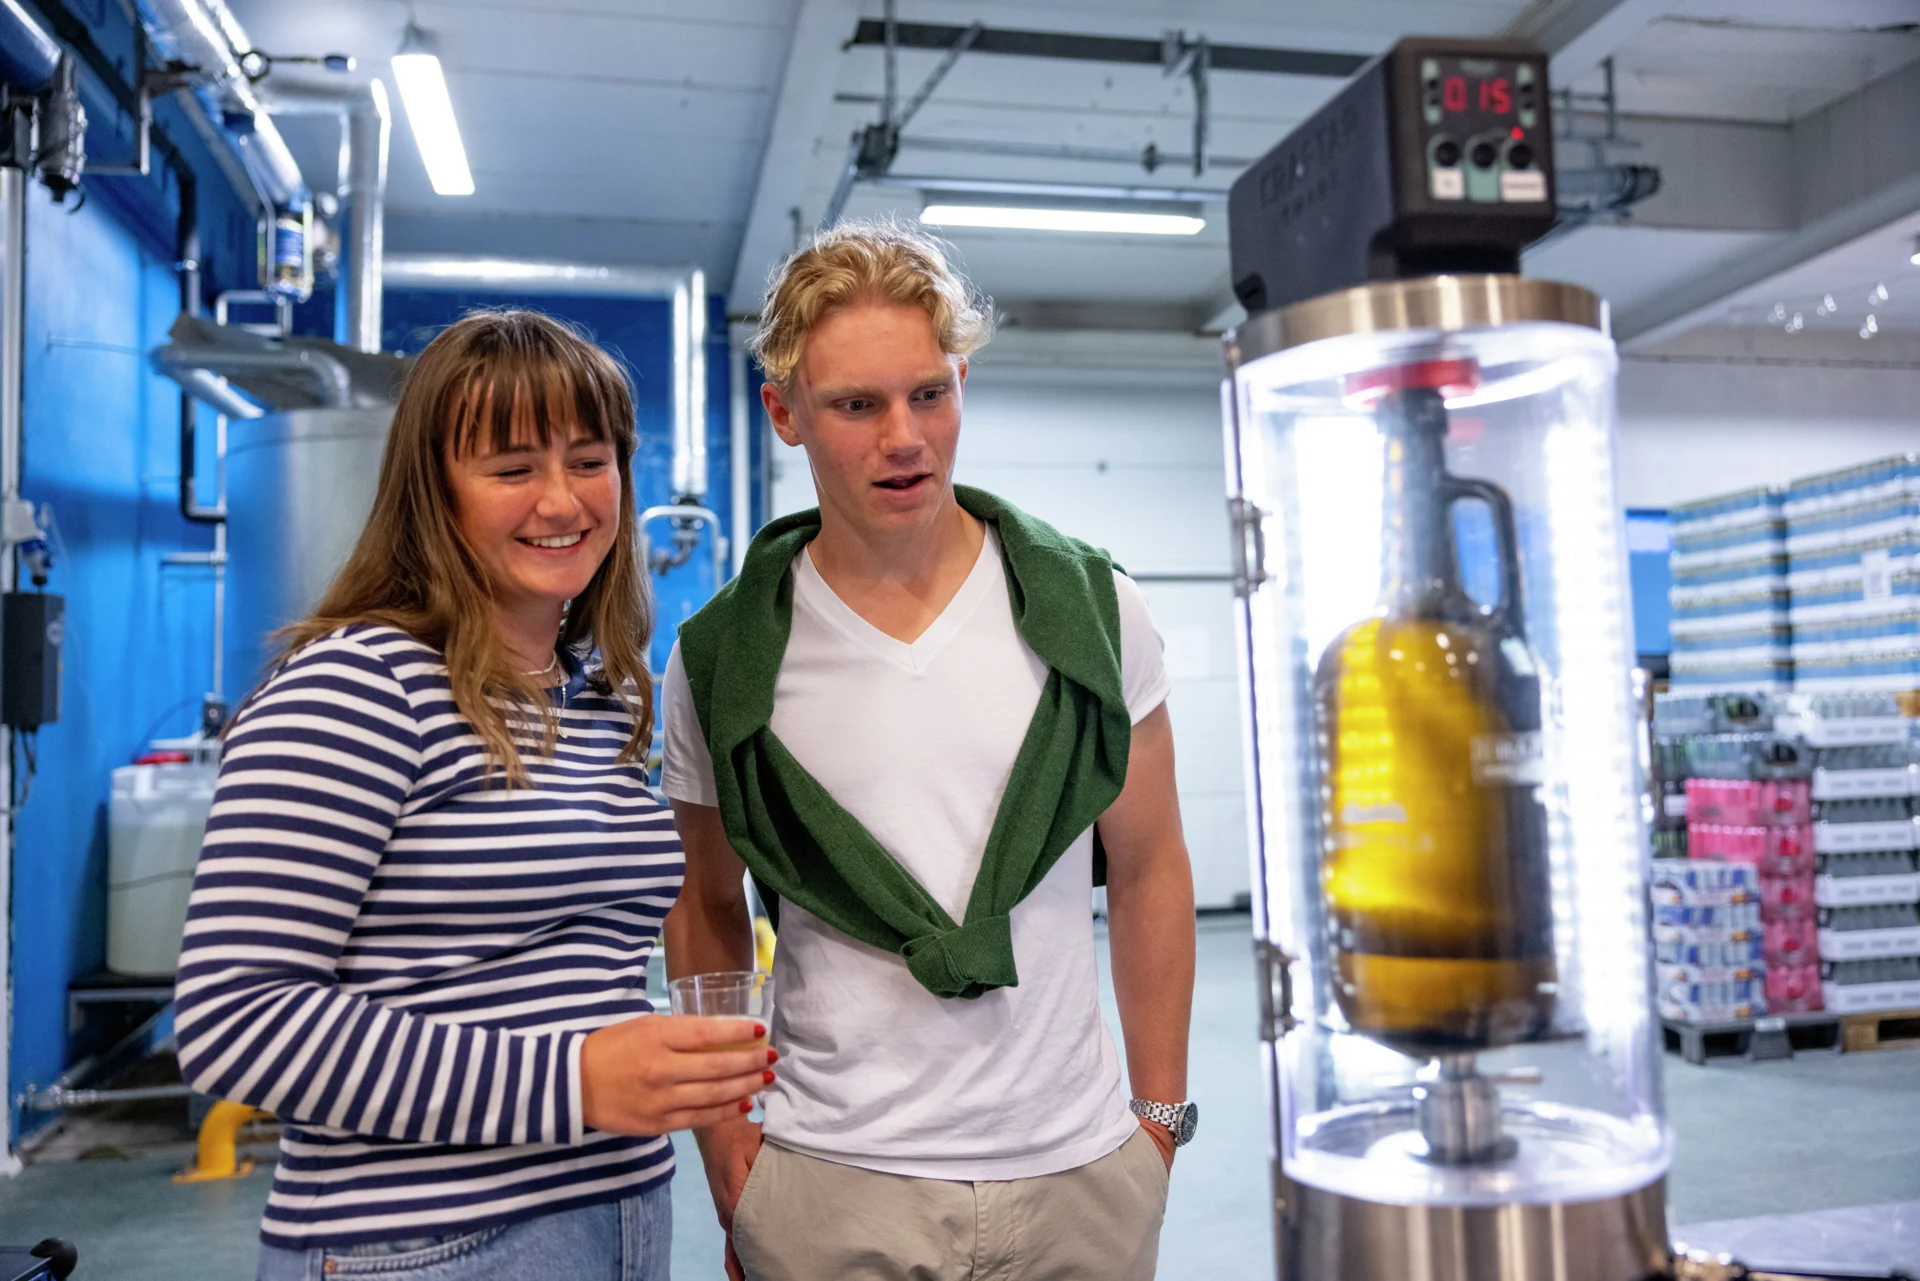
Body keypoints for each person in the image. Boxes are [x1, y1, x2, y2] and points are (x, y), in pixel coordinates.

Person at [173, 310, 773, 1280]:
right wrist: (572, 1081)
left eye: (589, 460)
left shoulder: (603, 693)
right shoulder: (356, 688)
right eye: (511, 469)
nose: (561, 499)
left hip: (618, 1218)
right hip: (418, 1248)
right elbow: (233, 1019)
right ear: (434, 492)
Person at [662, 220, 1198, 1281]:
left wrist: (1158, 1122)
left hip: (1082, 1172)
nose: (903, 437)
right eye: (857, 406)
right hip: (831, 1175)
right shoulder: (723, 658)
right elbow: (706, 907)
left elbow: (1149, 872)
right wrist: (729, 1149)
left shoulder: (1095, 609)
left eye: (930, 393)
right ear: (785, 415)